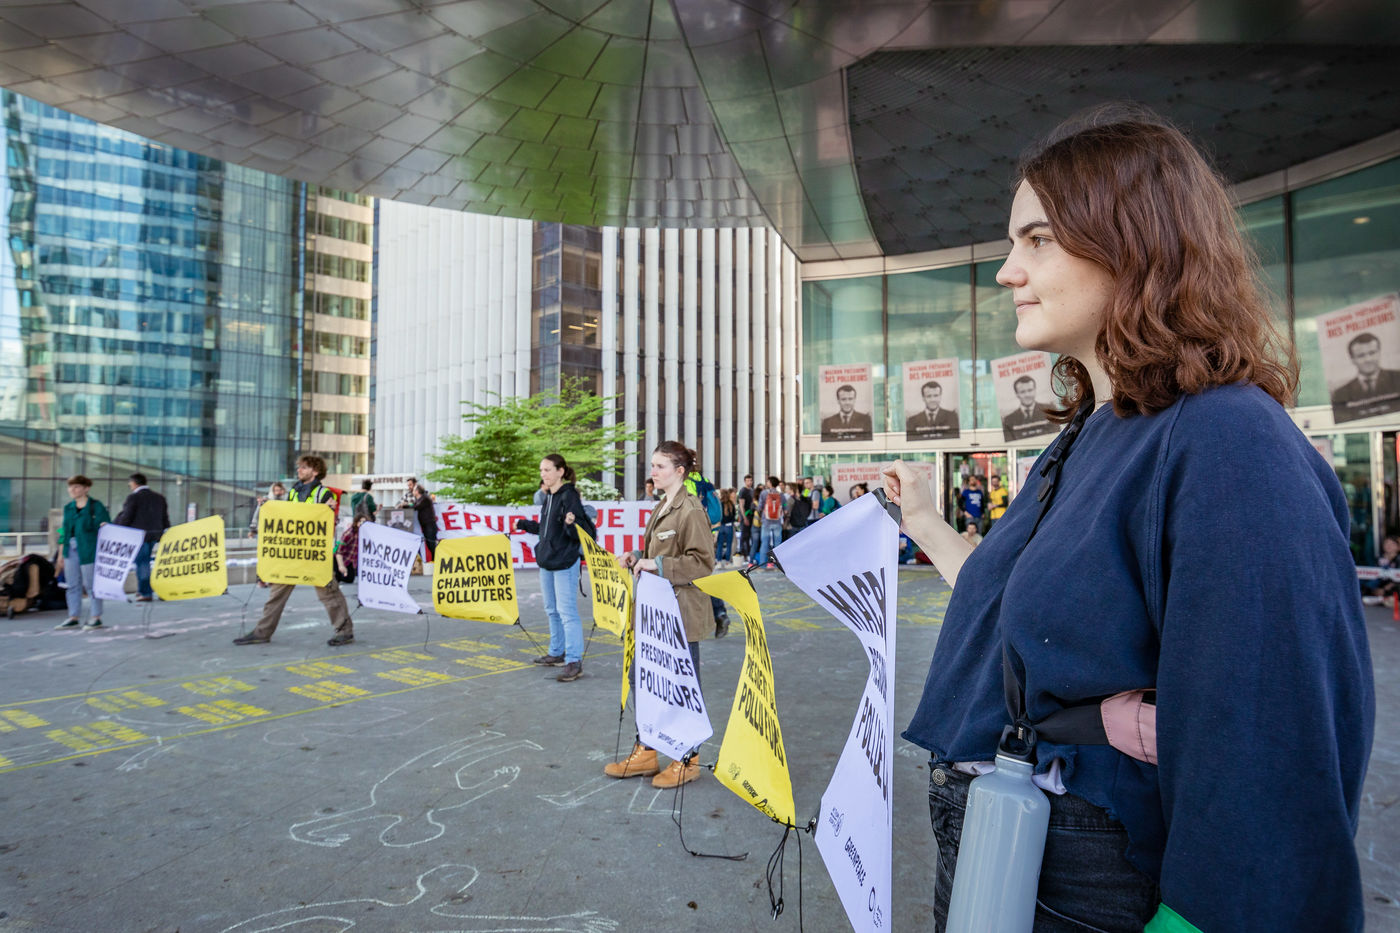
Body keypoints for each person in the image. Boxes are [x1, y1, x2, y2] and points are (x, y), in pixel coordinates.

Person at [882, 111, 1372, 932]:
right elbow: (1013, 614)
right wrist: (927, 522)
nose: (1007, 270)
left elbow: (1272, 741)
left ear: (1132, 242)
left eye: (1038, 240)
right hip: (1006, 851)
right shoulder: (1090, 433)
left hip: (1085, 875)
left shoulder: (1228, 435)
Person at [605, 441, 716, 787]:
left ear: (679, 471)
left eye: (660, 466)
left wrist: (658, 564)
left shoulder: (691, 510)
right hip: (656, 616)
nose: (652, 472)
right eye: (652, 465)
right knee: (644, 680)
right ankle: (647, 750)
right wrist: (637, 556)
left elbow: (703, 563)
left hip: (680, 615)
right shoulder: (663, 505)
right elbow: (658, 551)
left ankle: (688, 759)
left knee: (682, 689)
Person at [236, 455, 355, 647]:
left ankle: (344, 631)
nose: (299, 470)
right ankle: (262, 632)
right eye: (299, 467)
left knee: (329, 593)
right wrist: (268, 506)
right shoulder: (293, 492)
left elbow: (331, 522)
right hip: (293, 553)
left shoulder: (324, 494)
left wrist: (330, 510)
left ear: (315, 471)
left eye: (304, 467)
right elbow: (285, 515)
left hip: (314, 555)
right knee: (277, 594)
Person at [515, 454, 596, 683]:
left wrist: (571, 524)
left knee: (566, 612)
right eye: (541, 470)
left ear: (560, 471)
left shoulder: (569, 496)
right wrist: (524, 525)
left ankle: (573, 660)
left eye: (547, 470)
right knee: (552, 609)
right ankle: (557, 652)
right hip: (548, 561)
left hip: (564, 562)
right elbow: (547, 529)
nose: (543, 474)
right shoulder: (549, 497)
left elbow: (584, 531)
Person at [54, 475, 110, 629]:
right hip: (70, 548)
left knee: (92, 584)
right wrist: (61, 554)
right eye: (70, 487)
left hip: (89, 549)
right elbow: (64, 531)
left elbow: (106, 527)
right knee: (72, 584)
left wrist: (103, 526)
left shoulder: (96, 506)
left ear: (86, 488)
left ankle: (96, 617)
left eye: (77, 487)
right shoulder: (68, 508)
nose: (72, 490)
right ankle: (73, 616)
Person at [113, 472, 170, 602]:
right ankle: (146, 591)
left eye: (130, 483)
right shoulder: (159, 497)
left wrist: (117, 528)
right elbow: (165, 517)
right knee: (149, 563)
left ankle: (145, 593)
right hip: (155, 534)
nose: (129, 485)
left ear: (134, 483)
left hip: (139, 536)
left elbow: (127, 516)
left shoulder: (133, 497)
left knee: (142, 563)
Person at [1330, 331, 1400, 420]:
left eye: (1372, 353)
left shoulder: (1397, 378)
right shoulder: (1340, 394)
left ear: (1379, 353)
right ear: (1352, 359)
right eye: (1361, 356)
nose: (1368, 359)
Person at [1001, 374, 1052, 440]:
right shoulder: (1008, 420)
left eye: (1030, 390)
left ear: (1035, 390)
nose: (1027, 395)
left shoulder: (1049, 411)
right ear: (1017, 394)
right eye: (1022, 392)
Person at [750, 476, 784, 568]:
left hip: (766, 522)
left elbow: (760, 507)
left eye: (768, 481)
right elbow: (785, 507)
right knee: (777, 544)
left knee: (764, 543)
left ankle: (763, 564)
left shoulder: (764, 493)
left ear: (770, 483)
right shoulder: (780, 494)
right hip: (777, 522)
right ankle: (777, 565)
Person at [403, 477, 438, 563]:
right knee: (429, 544)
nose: (413, 492)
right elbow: (414, 504)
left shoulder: (425, 498)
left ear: (417, 491)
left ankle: (436, 561)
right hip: (426, 525)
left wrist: (406, 505)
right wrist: (407, 505)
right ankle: (434, 561)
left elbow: (415, 506)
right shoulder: (421, 499)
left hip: (429, 524)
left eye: (414, 490)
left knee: (431, 544)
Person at [334, 515, 367, 584]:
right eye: (360, 521)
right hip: (339, 559)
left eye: (364, 522)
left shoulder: (363, 535)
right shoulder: (349, 534)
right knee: (336, 578)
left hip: (349, 560)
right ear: (356, 522)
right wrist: (341, 565)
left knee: (349, 579)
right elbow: (339, 552)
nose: (361, 523)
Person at [736, 474, 756, 560]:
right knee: (744, 536)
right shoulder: (743, 491)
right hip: (745, 516)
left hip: (752, 516)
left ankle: (749, 554)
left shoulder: (752, 490)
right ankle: (743, 554)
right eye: (748, 481)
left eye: (751, 480)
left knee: (750, 536)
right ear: (745, 481)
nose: (749, 482)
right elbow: (741, 505)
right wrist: (744, 518)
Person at [715, 488, 737, 564]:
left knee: (720, 544)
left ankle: (719, 561)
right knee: (729, 545)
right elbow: (734, 516)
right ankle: (727, 561)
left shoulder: (719, 504)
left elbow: (717, 516)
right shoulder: (731, 504)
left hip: (721, 526)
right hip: (729, 526)